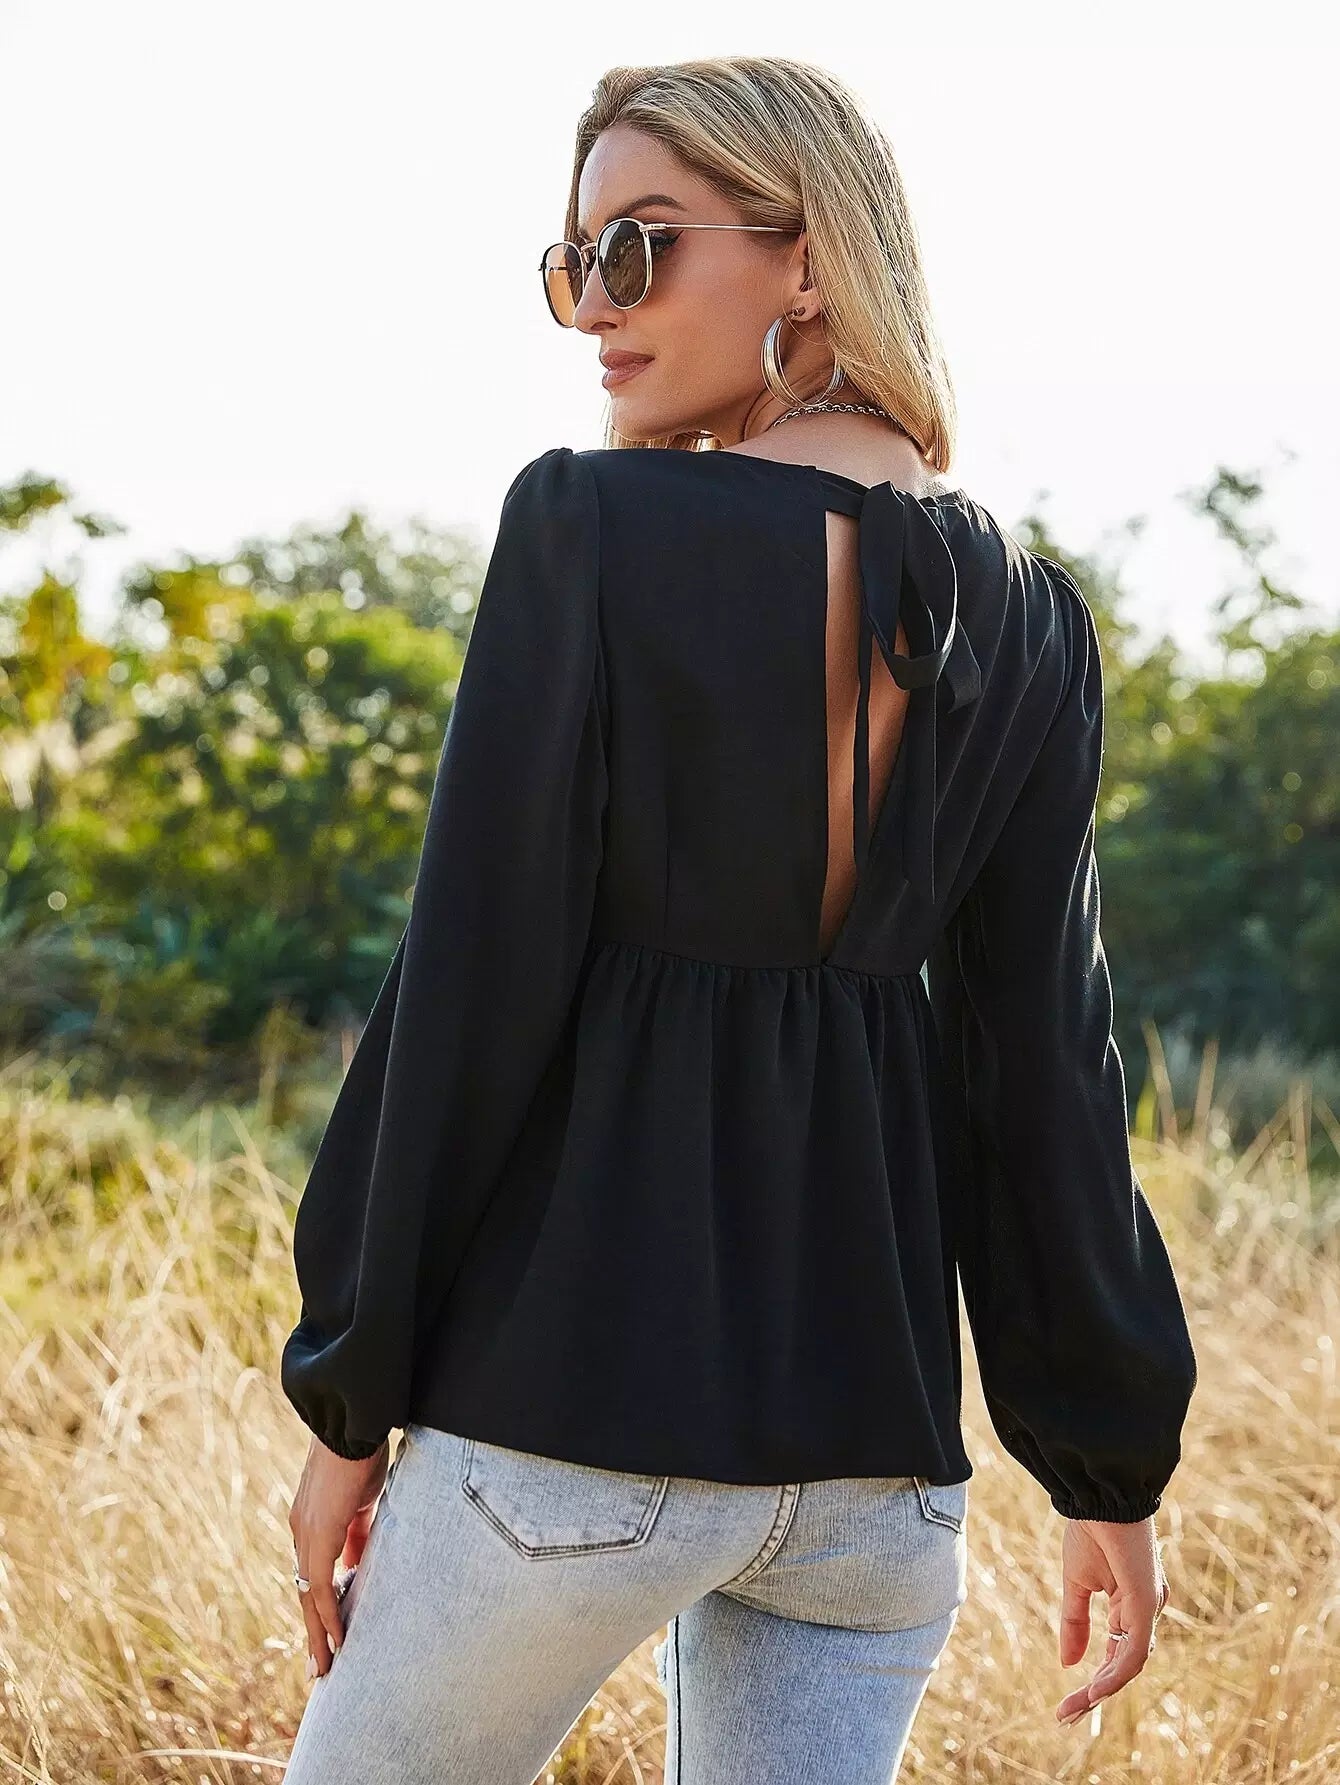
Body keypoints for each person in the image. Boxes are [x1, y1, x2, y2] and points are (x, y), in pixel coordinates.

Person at [280, 54, 1197, 1784]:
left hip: (568, 1422)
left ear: (808, 256)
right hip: (874, 1487)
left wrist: (350, 1393)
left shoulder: (590, 527)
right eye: (573, 266)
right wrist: (1105, 1465)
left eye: (638, 249)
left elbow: (467, 987)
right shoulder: (1035, 617)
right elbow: (1049, 1074)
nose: (593, 311)